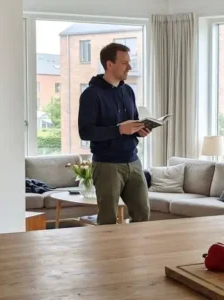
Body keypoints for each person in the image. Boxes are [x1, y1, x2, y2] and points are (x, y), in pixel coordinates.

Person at [78, 43, 151, 225]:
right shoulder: (91, 95)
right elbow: (85, 132)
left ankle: (133, 244)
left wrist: (140, 130)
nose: (129, 67)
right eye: (125, 63)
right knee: (107, 219)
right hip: (107, 165)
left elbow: (132, 122)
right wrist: (119, 129)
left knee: (143, 214)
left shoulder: (128, 91)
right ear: (109, 64)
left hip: (133, 161)